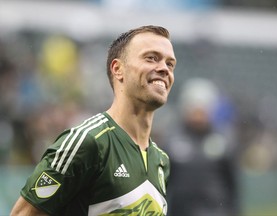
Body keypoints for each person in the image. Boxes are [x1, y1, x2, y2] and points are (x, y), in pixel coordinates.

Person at [11, 25, 177, 216]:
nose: (164, 68)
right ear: (118, 69)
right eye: (151, 58)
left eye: (170, 64)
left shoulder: (161, 160)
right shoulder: (88, 142)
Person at [163, 78, 239, 216]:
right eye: (194, 108)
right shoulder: (173, 141)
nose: (198, 114)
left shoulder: (223, 140)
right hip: (181, 211)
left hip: (216, 210)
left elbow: (232, 183)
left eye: (202, 109)